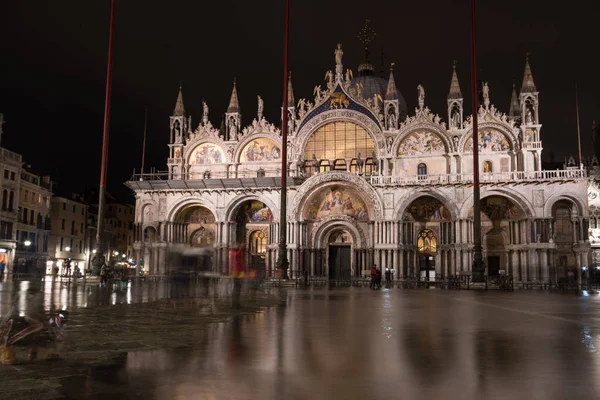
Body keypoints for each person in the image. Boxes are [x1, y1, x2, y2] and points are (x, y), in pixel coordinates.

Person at [230, 242, 246, 308]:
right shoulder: (232, 251)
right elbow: (236, 255)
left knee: (239, 287)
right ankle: (234, 304)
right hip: (235, 271)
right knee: (236, 287)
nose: (238, 246)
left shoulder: (237, 251)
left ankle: (237, 303)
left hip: (239, 270)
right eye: (237, 245)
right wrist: (241, 248)